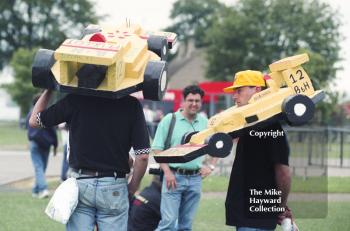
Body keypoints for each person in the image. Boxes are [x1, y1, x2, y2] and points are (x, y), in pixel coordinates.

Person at [29, 89, 150, 231]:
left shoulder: (75, 99)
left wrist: (50, 88)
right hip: (114, 185)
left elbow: (34, 121)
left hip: (81, 183)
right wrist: (133, 186)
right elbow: (142, 156)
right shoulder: (131, 105)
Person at [223, 70, 291, 231]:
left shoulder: (272, 127)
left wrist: (280, 207)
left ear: (257, 91)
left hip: (256, 218)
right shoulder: (245, 124)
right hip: (247, 214)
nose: (234, 96)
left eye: (239, 91)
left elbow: (284, 174)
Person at [152, 85, 218, 231]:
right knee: (168, 224)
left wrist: (211, 166)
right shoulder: (170, 120)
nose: (194, 104)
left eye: (197, 101)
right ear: (183, 101)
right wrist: (167, 172)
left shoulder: (205, 123)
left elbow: (217, 145)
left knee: (186, 225)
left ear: (201, 102)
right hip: (174, 177)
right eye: (190, 100)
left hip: (195, 179)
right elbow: (157, 148)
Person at [26, 94, 58, 199]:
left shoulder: (30, 114)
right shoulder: (46, 115)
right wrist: (55, 144)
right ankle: (43, 189)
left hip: (35, 143)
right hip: (45, 144)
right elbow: (53, 131)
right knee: (40, 167)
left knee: (40, 168)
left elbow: (28, 129)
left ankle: (35, 190)